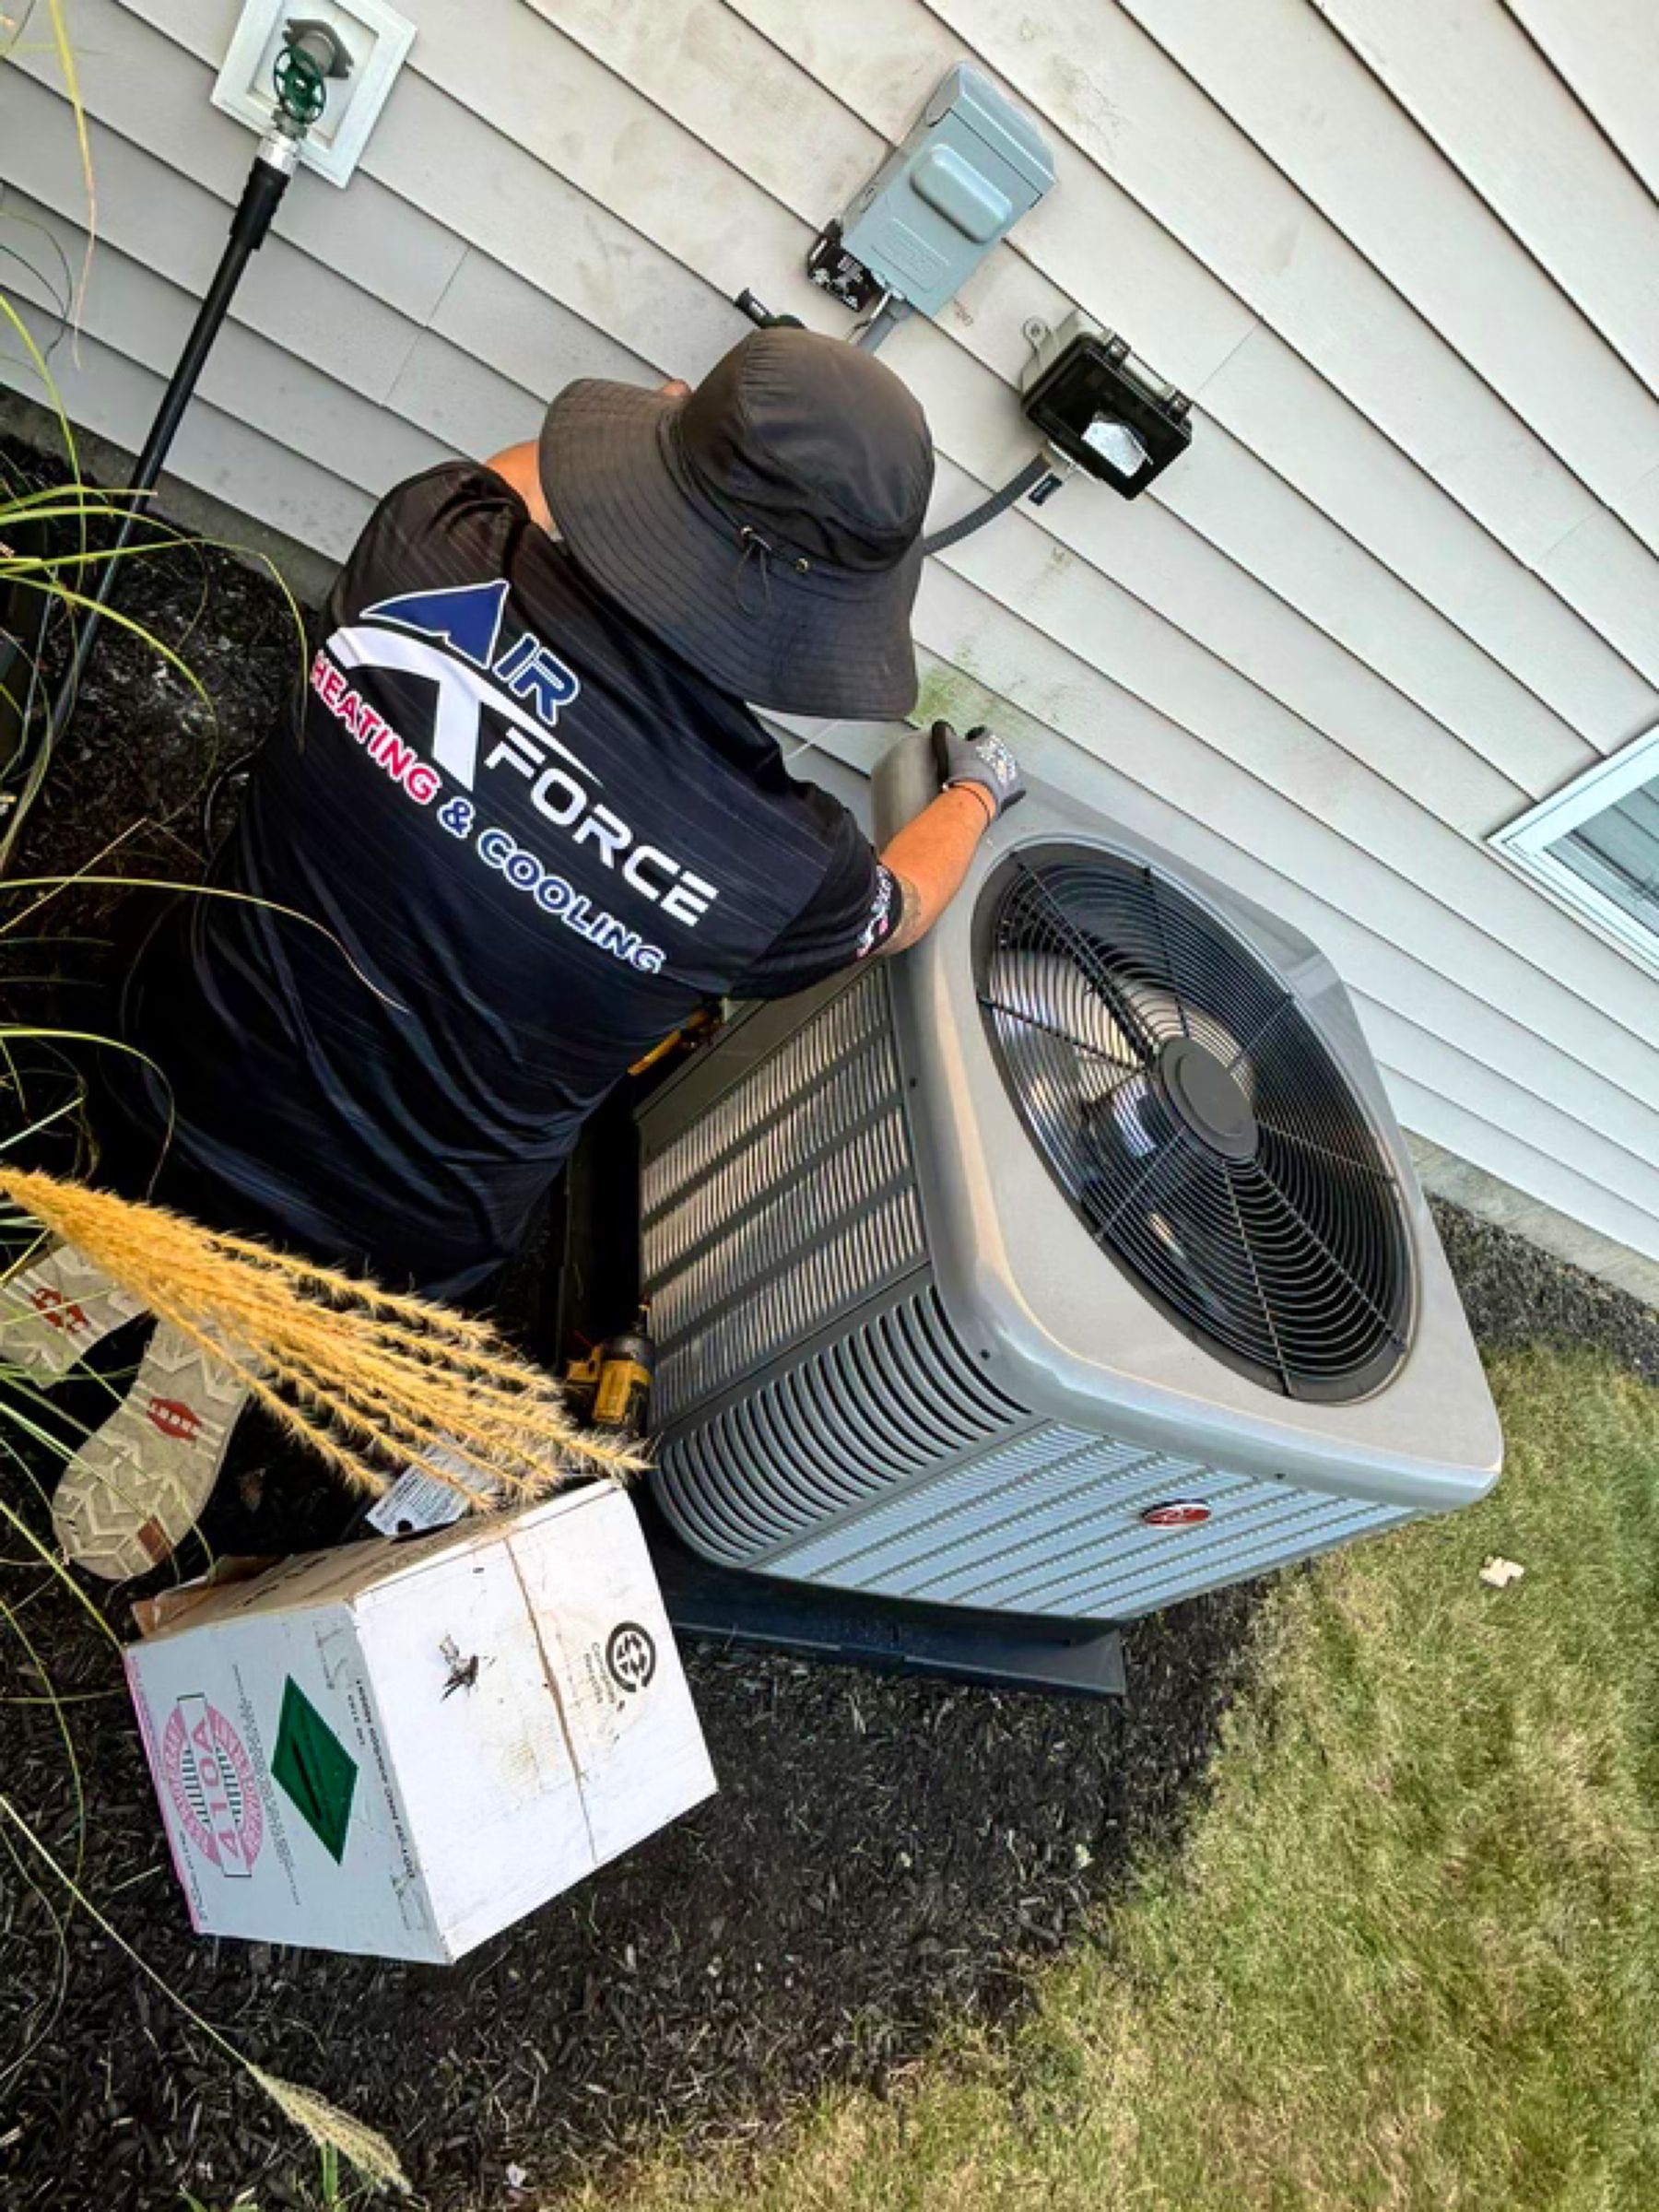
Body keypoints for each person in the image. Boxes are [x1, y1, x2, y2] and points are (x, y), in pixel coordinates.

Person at [2, 326, 1025, 1578]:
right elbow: (902, 908)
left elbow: (520, 482)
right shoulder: (780, 871)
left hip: (173, 1052)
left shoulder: (421, 548)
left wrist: (656, 451)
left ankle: (126, 1232)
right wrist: (972, 791)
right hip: (398, 1233)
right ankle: (223, 1338)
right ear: (832, 614)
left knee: (213, 1055)